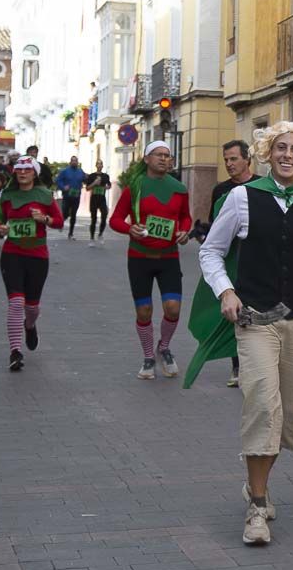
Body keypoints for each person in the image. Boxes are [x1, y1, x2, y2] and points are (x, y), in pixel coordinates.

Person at [190, 121, 293, 546]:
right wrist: (225, 291)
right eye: (280, 147)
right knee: (262, 403)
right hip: (255, 319)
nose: (287, 155)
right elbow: (211, 250)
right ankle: (257, 506)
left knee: (283, 414)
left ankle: (256, 484)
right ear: (267, 152)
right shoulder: (243, 196)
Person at [109, 141, 193, 380]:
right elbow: (115, 219)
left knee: (173, 308)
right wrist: (130, 229)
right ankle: (148, 356)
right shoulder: (134, 187)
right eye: (159, 155)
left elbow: (186, 217)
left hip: (169, 257)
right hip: (139, 258)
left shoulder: (178, 188)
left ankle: (163, 347)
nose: (164, 159)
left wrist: (184, 232)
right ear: (146, 159)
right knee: (144, 311)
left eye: (168, 156)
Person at [0, 156, 64, 370]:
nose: (22, 173)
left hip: (37, 256)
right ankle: (15, 351)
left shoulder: (44, 195)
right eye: (19, 170)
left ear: (35, 173)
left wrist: (44, 219)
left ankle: (30, 324)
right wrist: (1, 228)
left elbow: (59, 222)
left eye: (27, 170)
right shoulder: (8, 195)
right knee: (16, 303)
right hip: (12, 253)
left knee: (31, 306)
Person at [207, 139, 258, 387]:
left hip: (255, 260)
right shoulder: (220, 190)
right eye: (226, 159)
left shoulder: (262, 186)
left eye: (233, 159)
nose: (229, 164)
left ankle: (251, 363)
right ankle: (237, 366)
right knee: (233, 311)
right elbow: (213, 226)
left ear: (248, 159)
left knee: (252, 310)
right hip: (229, 261)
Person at [55, 156, 86, 240]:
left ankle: (71, 233)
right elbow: (58, 180)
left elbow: (85, 180)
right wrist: (63, 187)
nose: (74, 162)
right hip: (67, 196)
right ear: (70, 162)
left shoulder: (80, 171)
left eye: (76, 161)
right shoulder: (65, 171)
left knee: (74, 214)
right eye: (73, 161)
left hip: (76, 196)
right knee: (65, 213)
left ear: (77, 162)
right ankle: (60, 223)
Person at [83, 161, 111, 246]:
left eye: (101, 164)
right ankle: (92, 238)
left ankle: (100, 234)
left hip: (102, 198)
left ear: (102, 165)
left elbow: (109, 185)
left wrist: (107, 187)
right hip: (94, 198)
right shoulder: (92, 176)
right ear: (96, 165)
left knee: (104, 215)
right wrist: (94, 183)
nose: (100, 165)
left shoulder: (105, 176)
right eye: (98, 164)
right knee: (93, 219)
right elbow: (87, 188)